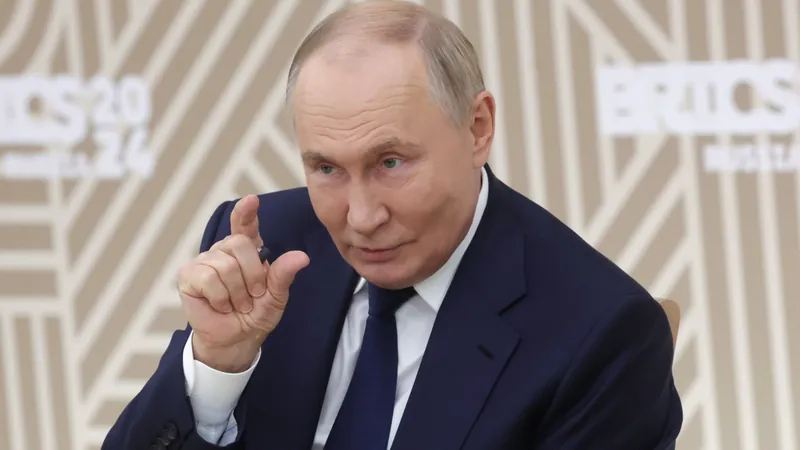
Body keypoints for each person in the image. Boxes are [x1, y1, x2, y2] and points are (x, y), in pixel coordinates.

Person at [103, 1, 682, 449]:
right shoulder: (265, 250)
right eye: (326, 168)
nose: (361, 218)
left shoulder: (602, 333)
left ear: (478, 128)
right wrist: (215, 366)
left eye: (390, 163)